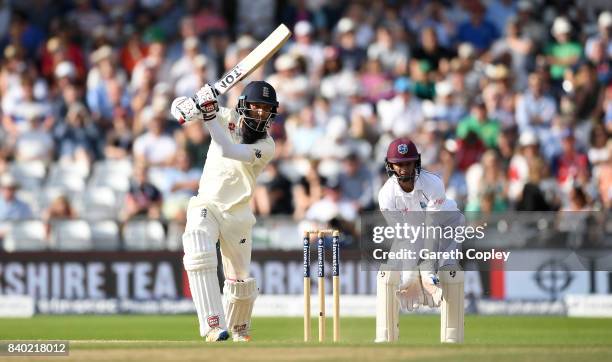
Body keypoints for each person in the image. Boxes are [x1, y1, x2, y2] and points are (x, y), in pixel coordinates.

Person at [170, 81, 278, 342]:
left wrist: (208, 115)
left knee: (240, 280)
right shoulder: (226, 116)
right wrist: (190, 103)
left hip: (238, 215)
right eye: (256, 106)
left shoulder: (267, 145)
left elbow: (227, 149)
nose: (260, 113)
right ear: (243, 105)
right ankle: (212, 325)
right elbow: (180, 113)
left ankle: (239, 329)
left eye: (266, 109)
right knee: (197, 244)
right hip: (208, 202)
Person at [375, 138, 464, 343]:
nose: (404, 168)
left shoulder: (433, 183)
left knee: (449, 273)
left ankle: (452, 337)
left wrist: (427, 269)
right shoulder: (386, 195)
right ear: (390, 165)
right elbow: (404, 236)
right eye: (399, 163)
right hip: (413, 230)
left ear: (417, 162)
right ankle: (384, 336)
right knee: (388, 275)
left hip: (447, 224)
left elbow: (433, 228)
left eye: (408, 163)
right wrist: (410, 274)